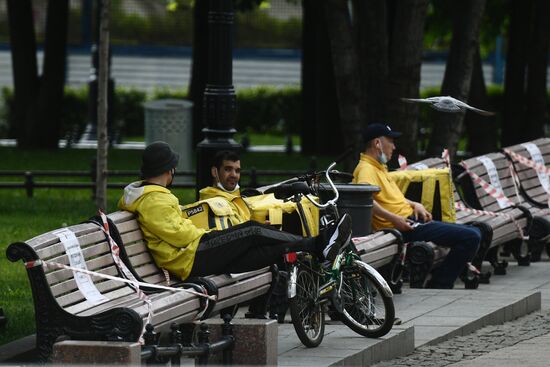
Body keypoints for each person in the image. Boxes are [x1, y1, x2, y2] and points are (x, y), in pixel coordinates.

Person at [118, 141, 352, 281]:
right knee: (250, 231)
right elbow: (179, 234)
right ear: (169, 169)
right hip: (189, 258)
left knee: (268, 251)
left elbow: (176, 228)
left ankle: (318, 246)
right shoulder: (153, 200)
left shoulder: (153, 197)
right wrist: (212, 235)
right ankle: (319, 243)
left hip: (192, 254)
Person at [352, 123, 481, 289]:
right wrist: (396, 219)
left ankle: (441, 278)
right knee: (471, 237)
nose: (394, 146)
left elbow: (392, 198)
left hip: (411, 220)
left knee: (476, 231)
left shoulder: (378, 167)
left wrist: (415, 204)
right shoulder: (366, 169)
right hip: (403, 226)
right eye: (390, 141)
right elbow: (366, 200)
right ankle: (440, 283)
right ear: (377, 143)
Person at [198, 150, 250, 224]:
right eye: (228, 169)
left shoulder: (238, 199)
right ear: (214, 172)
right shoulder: (211, 201)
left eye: (237, 171)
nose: (234, 175)